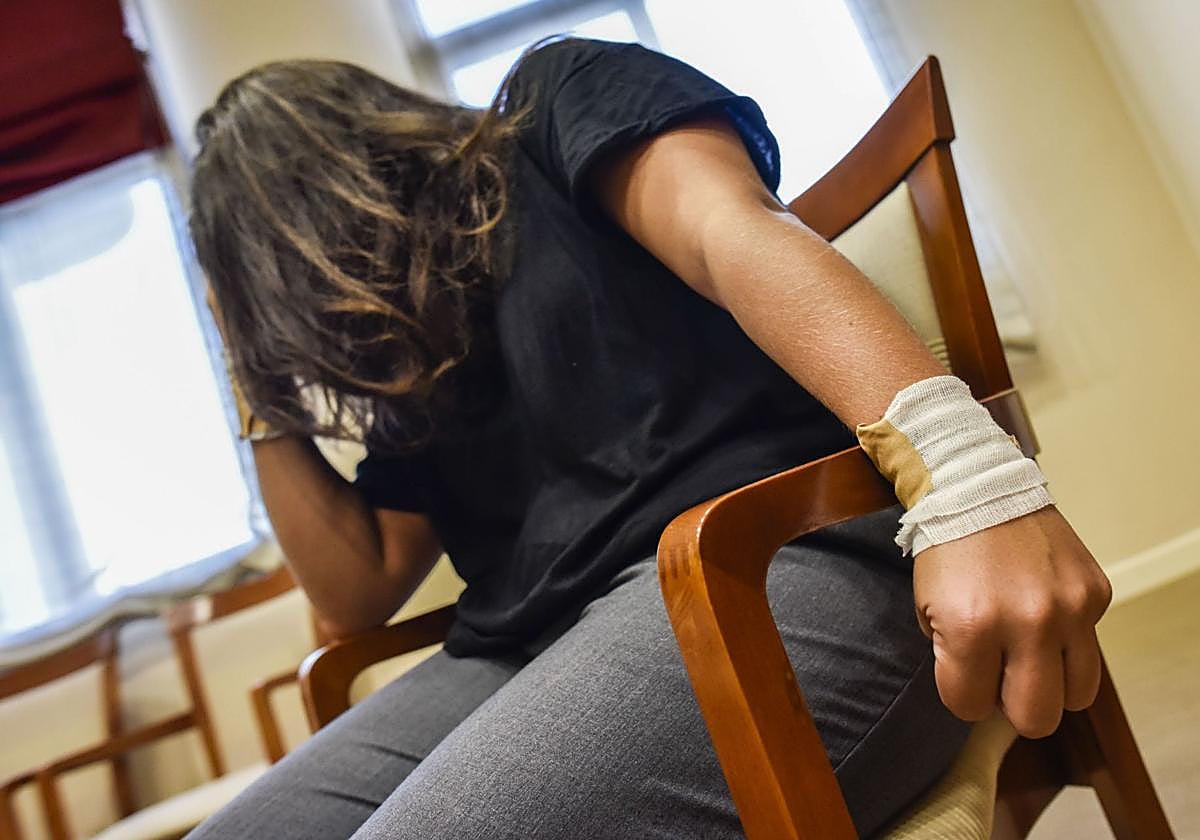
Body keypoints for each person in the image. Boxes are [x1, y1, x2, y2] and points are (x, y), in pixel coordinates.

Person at [186, 38, 1111, 839]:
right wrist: (249, 370)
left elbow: (728, 233)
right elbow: (356, 591)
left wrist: (963, 473)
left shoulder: (550, 104)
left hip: (760, 560)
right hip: (523, 649)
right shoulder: (416, 344)